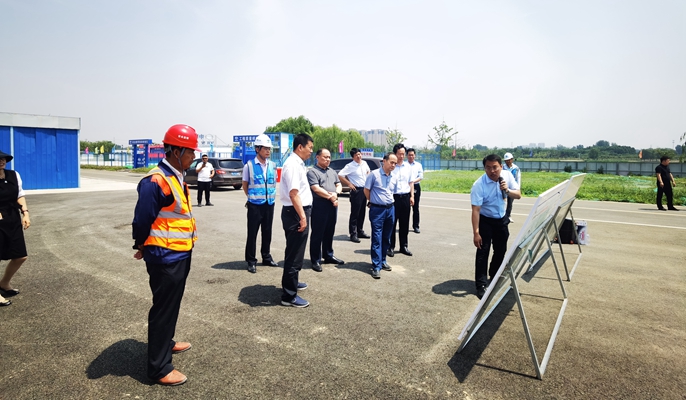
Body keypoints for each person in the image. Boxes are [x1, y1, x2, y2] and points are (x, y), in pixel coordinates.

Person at [132, 124, 200, 386]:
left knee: (172, 304)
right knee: (163, 309)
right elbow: (142, 219)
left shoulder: (176, 176)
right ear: (175, 151)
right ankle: (159, 368)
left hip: (179, 253)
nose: (193, 156)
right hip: (165, 256)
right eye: (190, 152)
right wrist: (141, 245)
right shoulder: (156, 180)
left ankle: (166, 342)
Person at [471, 154, 521, 299]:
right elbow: (475, 210)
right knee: (483, 252)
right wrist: (476, 233)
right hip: (486, 220)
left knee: (501, 250)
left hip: (501, 219)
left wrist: (507, 190)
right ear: (484, 168)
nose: (492, 171)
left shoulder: (507, 176)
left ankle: (494, 276)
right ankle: (481, 284)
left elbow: (518, 195)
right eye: (488, 168)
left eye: (495, 167)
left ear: (501, 166)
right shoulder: (479, 185)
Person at [279, 133, 314, 308]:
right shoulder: (292, 165)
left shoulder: (298, 163)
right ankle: (289, 296)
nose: (311, 151)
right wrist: (302, 217)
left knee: (295, 251)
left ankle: (292, 282)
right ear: (300, 147)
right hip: (295, 213)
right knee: (294, 254)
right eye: (310, 147)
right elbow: (293, 194)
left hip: (297, 211)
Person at [242, 134, 278, 273]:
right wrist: (252, 197)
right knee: (252, 233)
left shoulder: (273, 166)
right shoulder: (249, 166)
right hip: (255, 205)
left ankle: (266, 257)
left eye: (269, 149)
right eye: (265, 148)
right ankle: (251, 261)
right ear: (257, 149)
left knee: (267, 232)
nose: (268, 151)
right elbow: (245, 185)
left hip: (269, 204)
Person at [0, 150, 31, 307]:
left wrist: (25, 213)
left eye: (3, 159)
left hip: (13, 217)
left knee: (20, 256)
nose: (2, 161)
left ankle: (4, 283)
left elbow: (19, 194)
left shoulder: (13, 175)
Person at [307, 148, 344, 272]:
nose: (328, 159)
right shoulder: (312, 172)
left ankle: (328, 255)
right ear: (317, 157)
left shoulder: (332, 171)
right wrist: (331, 197)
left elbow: (338, 184)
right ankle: (315, 259)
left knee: (329, 231)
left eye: (329, 157)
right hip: (319, 205)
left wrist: (336, 194)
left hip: (332, 205)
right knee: (318, 233)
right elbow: (316, 188)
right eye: (325, 157)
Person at [364, 152, 398, 279]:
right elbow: (366, 190)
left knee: (386, 237)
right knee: (377, 238)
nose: (393, 165)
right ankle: (376, 266)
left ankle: (383, 260)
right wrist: (372, 201)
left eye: (395, 163)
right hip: (377, 210)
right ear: (384, 161)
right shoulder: (374, 175)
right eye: (391, 162)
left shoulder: (393, 176)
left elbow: (392, 193)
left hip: (390, 209)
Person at [338, 148, 371, 243]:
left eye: (359, 154)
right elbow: (340, 175)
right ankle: (353, 234)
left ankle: (360, 231)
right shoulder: (350, 166)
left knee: (362, 212)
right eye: (356, 155)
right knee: (355, 213)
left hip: (364, 189)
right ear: (353, 157)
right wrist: (349, 184)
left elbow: (368, 172)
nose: (359, 156)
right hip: (356, 190)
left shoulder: (364, 163)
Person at [388, 143, 414, 257]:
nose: (402, 156)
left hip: (405, 197)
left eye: (403, 154)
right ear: (395, 154)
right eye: (399, 154)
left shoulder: (408, 167)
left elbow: (411, 182)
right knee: (392, 223)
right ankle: (390, 247)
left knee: (404, 223)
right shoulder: (390, 167)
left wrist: (412, 196)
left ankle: (404, 246)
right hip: (394, 198)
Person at [407, 148, 423, 234]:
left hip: (416, 186)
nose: (411, 156)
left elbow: (421, 176)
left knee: (415, 207)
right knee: (405, 208)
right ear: (407, 156)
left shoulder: (418, 165)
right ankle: (404, 226)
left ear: (415, 156)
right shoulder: (404, 165)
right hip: (406, 187)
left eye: (412, 155)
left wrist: (412, 181)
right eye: (409, 155)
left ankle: (416, 226)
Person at [502, 152, 521, 223]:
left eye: (509, 160)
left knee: (510, 203)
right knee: (503, 201)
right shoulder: (502, 167)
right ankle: (502, 215)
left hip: (512, 188)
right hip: (503, 187)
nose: (507, 161)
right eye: (506, 160)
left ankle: (508, 216)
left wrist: (518, 188)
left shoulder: (516, 168)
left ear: (512, 159)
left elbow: (518, 178)